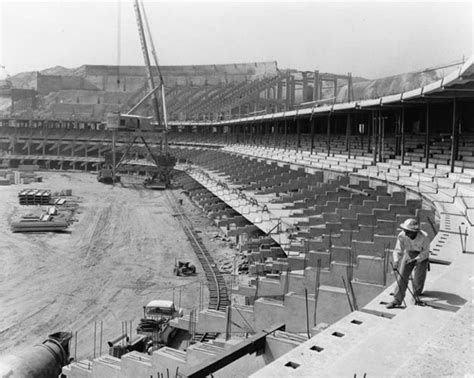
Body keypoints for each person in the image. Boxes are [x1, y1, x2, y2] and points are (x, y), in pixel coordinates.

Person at [386, 218, 430, 309]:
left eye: (408, 231)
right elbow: (398, 250)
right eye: (405, 231)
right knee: (402, 276)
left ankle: (416, 297)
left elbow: (425, 253)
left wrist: (416, 260)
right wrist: (396, 261)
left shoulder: (424, 237)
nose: (406, 233)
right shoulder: (402, 235)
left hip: (421, 256)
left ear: (414, 232)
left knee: (418, 278)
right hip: (409, 253)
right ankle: (397, 300)